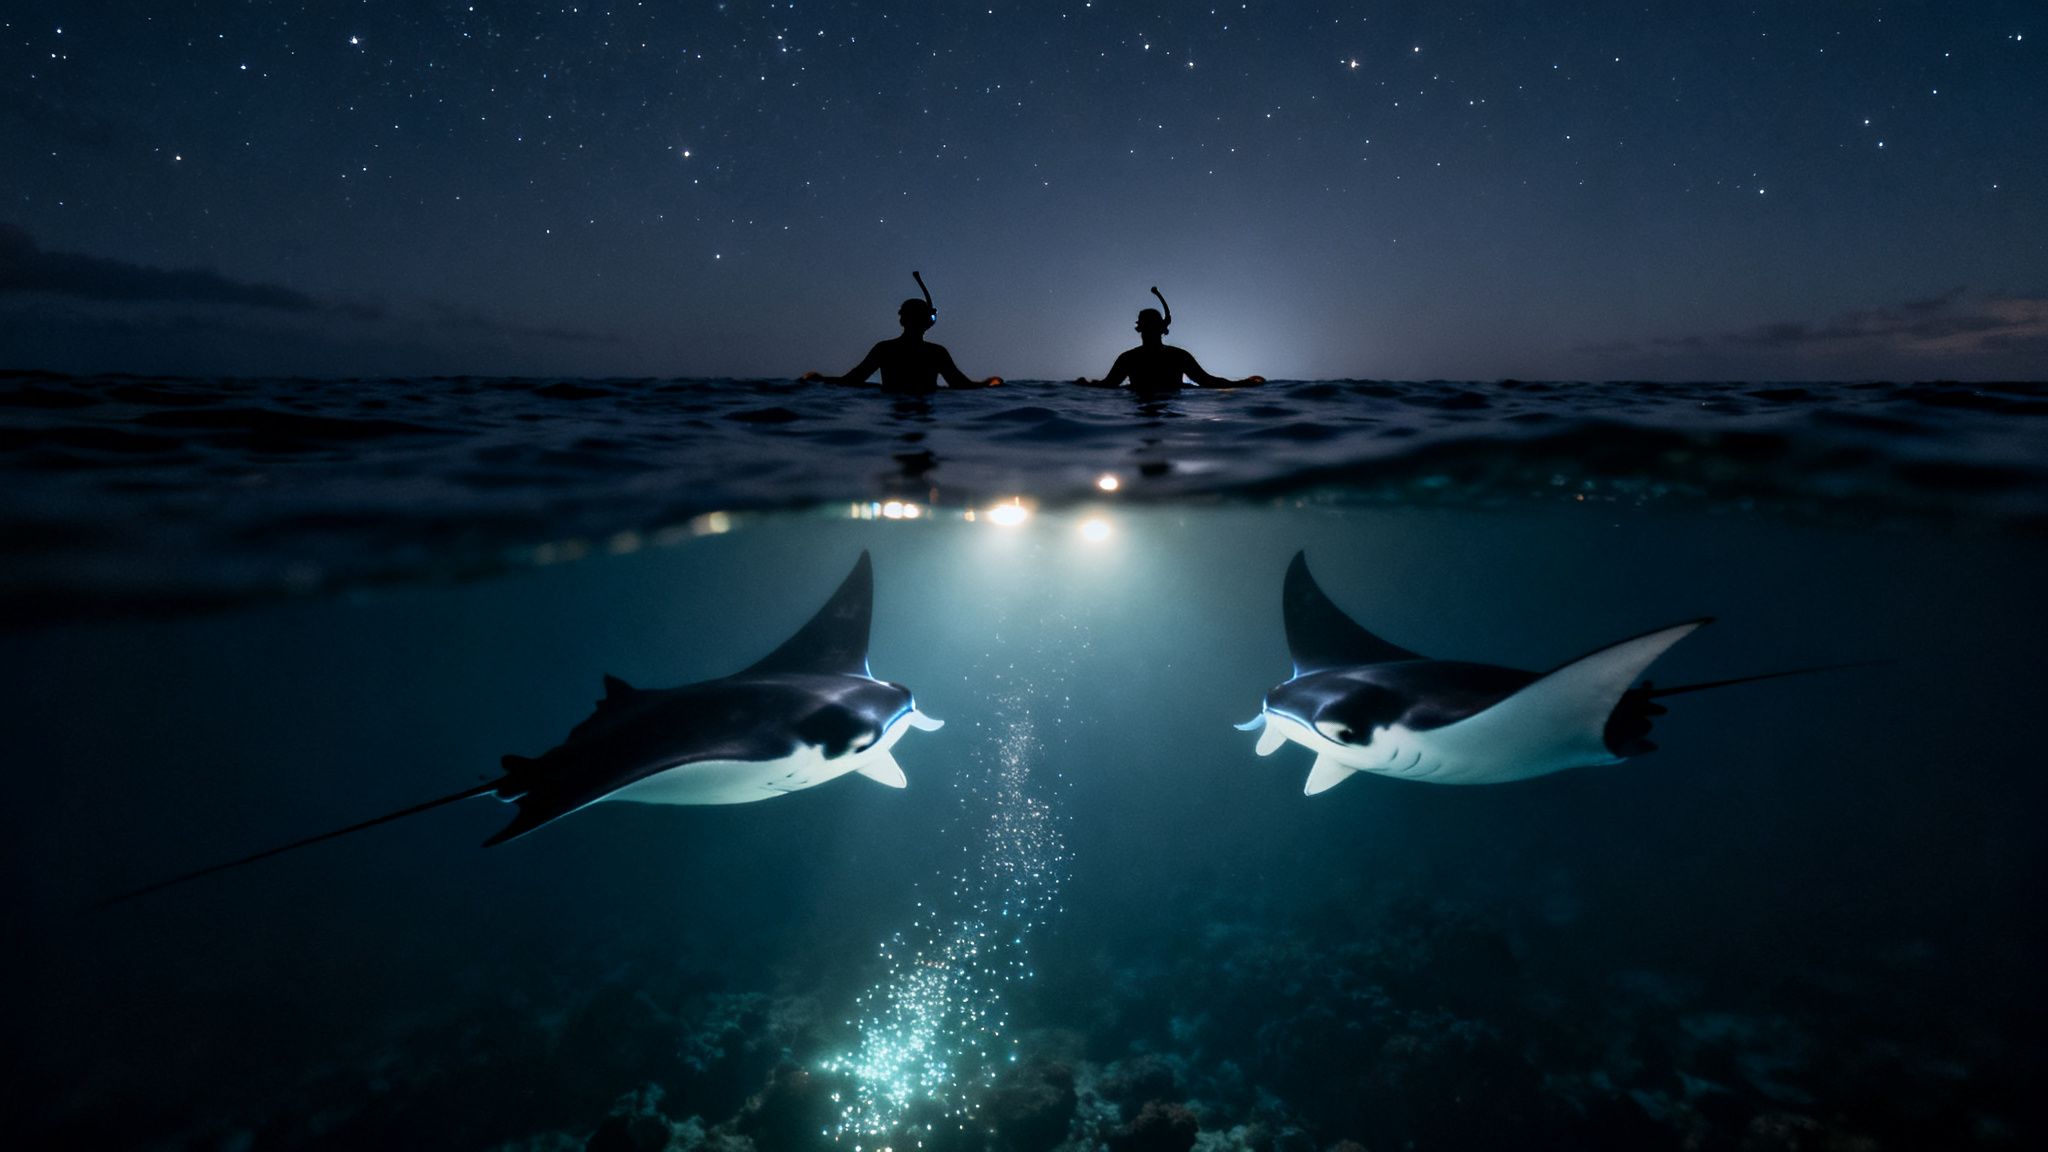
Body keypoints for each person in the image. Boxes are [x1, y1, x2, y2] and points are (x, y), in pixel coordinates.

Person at [802, 273, 1002, 394]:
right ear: (927, 322)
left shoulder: (886, 349)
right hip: (922, 411)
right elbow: (960, 385)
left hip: (894, 414)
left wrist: (819, 379)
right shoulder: (934, 352)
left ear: (902, 320)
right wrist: (988, 384)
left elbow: (852, 381)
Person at [1075, 288, 1264, 394]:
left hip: (1153, 413)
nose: (1149, 330)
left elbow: (1208, 382)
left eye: (1152, 325)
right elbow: (1108, 385)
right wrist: (1086, 384)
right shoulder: (1130, 358)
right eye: (1146, 326)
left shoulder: (1176, 356)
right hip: (1156, 413)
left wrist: (1244, 383)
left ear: (1161, 328)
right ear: (1140, 328)